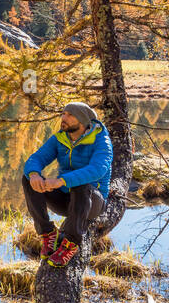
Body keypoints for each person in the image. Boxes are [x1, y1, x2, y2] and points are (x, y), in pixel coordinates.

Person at [21, 102, 113, 268]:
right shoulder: (60, 138)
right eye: (63, 113)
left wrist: (61, 181)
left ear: (83, 121)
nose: (64, 118)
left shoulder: (101, 140)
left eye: (70, 115)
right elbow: (36, 158)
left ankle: (71, 243)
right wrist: (34, 174)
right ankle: (48, 233)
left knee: (81, 184)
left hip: (92, 202)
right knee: (28, 178)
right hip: (65, 200)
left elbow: (97, 170)